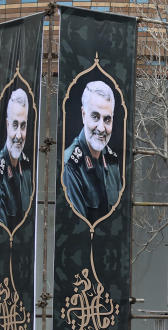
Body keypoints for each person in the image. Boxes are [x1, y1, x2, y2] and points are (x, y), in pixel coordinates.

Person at [62, 80, 122, 225]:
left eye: (107, 119)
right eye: (95, 117)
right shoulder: (70, 165)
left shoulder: (112, 160)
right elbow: (77, 225)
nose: (101, 128)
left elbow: (120, 217)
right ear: (83, 115)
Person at [0, 88, 32, 229]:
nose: (19, 136)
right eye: (15, 125)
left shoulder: (26, 166)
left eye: (23, 126)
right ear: (7, 125)